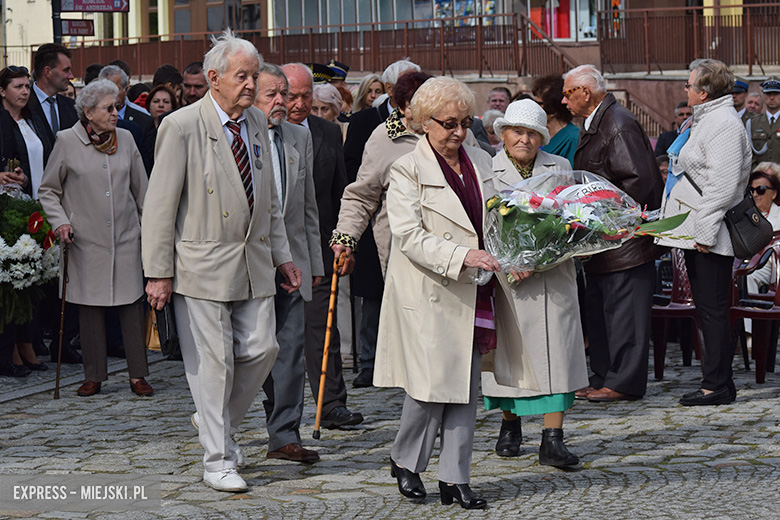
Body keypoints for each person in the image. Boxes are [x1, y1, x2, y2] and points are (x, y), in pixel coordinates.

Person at [141, 30, 301, 493]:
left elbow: (268, 199)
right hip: (200, 266)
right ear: (213, 78)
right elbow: (160, 206)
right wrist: (158, 273)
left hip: (254, 263)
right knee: (212, 367)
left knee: (262, 348)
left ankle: (214, 419)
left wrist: (284, 257)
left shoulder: (254, 122)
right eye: (242, 76)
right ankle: (218, 458)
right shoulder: (182, 126)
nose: (251, 84)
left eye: (254, 75)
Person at [377, 77, 536, 509]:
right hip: (430, 289)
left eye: (465, 123)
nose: (459, 132)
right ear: (424, 123)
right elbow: (408, 236)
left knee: (465, 387)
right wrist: (462, 254)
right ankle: (406, 459)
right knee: (429, 388)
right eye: (449, 123)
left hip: (475, 289)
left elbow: (502, 220)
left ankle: (455, 477)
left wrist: (517, 253)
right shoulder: (406, 169)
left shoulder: (481, 162)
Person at [482, 99, 588, 466]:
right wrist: (510, 261)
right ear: (503, 133)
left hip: (553, 278)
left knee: (558, 356)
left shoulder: (560, 167)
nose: (524, 140)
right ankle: (509, 425)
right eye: (517, 132)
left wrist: (539, 257)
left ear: (542, 137)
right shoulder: (486, 168)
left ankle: (552, 438)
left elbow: (569, 223)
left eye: (532, 133)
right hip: (507, 282)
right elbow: (481, 226)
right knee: (511, 357)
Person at [37, 78, 152, 398]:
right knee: (89, 311)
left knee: (131, 306)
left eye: (116, 106)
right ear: (88, 112)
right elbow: (48, 190)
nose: (117, 112)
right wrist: (60, 222)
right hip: (84, 240)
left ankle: (138, 375)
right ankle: (94, 375)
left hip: (126, 237)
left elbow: (141, 190)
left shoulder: (126, 139)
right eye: (109, 108)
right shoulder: (66, 141)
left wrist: (150, 230)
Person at [563, 64, 664, 403]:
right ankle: (605, 375)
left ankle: (623, 381)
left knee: (625, 317)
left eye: (568, 93)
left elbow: (639, 181)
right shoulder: (599, 122)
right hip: (604, 243)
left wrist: (605, 217)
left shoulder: (617, 123)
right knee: (603, 313)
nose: (564, 100)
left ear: (585, 93)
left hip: (623, 242)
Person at [657, 58, 751, 406]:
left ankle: (717, 385)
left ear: (704, 90)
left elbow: (724, 186)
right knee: (707, 309)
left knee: (712, 309)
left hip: (710, 233)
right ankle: (718, 380)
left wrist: (706, 230)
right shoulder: (705, 120)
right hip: (695, 230)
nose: (685, 89)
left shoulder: (724, 124)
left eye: (688, 84)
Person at [330, 71, 432, 388]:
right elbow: (361, 195)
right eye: (420, 105)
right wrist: (346, 237)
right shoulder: (383, 138)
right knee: (414, 334)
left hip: (450, 251)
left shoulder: (452, 134)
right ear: (402, 106)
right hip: (402, 252)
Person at [282, 62, 363, 430]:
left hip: (318, 247)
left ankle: (330, 402)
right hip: (276, 249)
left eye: (305, 96)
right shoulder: (262, 130)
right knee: (278, 337)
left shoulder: (328, 132)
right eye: (291, 96)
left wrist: (344, 242)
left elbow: (341, 191)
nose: (299, 104)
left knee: (323, 330)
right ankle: (279, 407)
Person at [253, 62, 324, 463]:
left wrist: (313, 261)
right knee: (253, 349)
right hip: (251, 259)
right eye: (273, 94)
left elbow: (307, 206)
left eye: (286, 93)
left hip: (292, 261)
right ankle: (222, 421)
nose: (281, 102)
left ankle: (284, 434)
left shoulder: (298, 136)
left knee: (292, 348)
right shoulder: (243, 133)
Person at [0, 66, 50, 199]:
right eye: (18, 87)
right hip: (11, 203)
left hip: (41, 200)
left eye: (27, 87)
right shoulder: (3, 123)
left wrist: (25, 180)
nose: (25, 92)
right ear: (2, 91)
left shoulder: (34, 120)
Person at [98, 65, 156, 167]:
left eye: (114, 89)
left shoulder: (144, 121)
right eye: (104, 89)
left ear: (126, 89)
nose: (108, 94)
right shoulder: (92, 120)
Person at [27, 43, 78, 145]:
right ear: (48, 72)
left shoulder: (72, 107)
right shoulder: (22, 106)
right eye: (66, 70)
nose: (71, 76)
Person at [745, 163, 780, 299]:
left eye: (761, 190)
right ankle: (747, 319)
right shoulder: (745, 216)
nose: (755, 194)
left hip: (774, 264)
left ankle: (755, 318)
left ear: (774, 193)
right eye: (752, 190)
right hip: (751, 264)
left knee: (750, 276)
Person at [532, 74, 579, 165]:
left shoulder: (573, 139)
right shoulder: (537, 131)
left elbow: (572, 175)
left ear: (553, 110)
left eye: (538, 103)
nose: (534, 107)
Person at [747, 77, 780, 169]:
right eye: (768, 94)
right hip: (759, 177)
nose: (772, 97)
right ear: (763, 95)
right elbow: (748, 154)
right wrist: (758, 174)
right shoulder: (752, 123)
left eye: (776, 93)